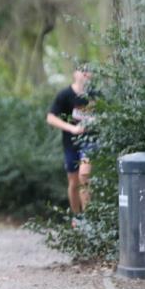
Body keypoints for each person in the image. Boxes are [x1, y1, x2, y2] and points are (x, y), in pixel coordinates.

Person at [46, 63, 96, 220]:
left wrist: (95, 121)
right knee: (74, 182)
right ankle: (77, 217)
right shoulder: (65, 95)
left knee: (84, 175)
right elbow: (51, 118)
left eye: (89, 72)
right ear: (75, 74)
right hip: (71, 143)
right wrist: (71, 128)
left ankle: (89, 220)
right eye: (83, 71)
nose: (86, 74)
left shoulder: (95, 95)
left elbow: (107, 114)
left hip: (90, 140)